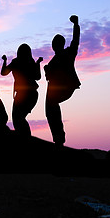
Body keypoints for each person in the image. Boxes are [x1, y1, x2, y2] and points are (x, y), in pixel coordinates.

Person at [44, 15, 81, 146]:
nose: (54, 46)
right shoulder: (53, 60)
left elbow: (76, 40)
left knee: (51, 107)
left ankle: (59, 138)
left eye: (56, 43)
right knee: (50, 110)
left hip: (64, 87)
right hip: (54, 88)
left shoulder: (69, 53)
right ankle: (58, 138)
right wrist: (47, 69)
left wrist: (76, 25)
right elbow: (48, 76)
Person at [0, 44, 43, 137]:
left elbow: (3, 72)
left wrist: (4, 61)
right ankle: (24, 137)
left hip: (26, 94)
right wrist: (37, 64)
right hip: (30, 94)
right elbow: (38, 77)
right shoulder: (29, 62)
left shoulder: (17, 62)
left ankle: (24, 138)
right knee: (19, 118)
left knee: (18, 118)